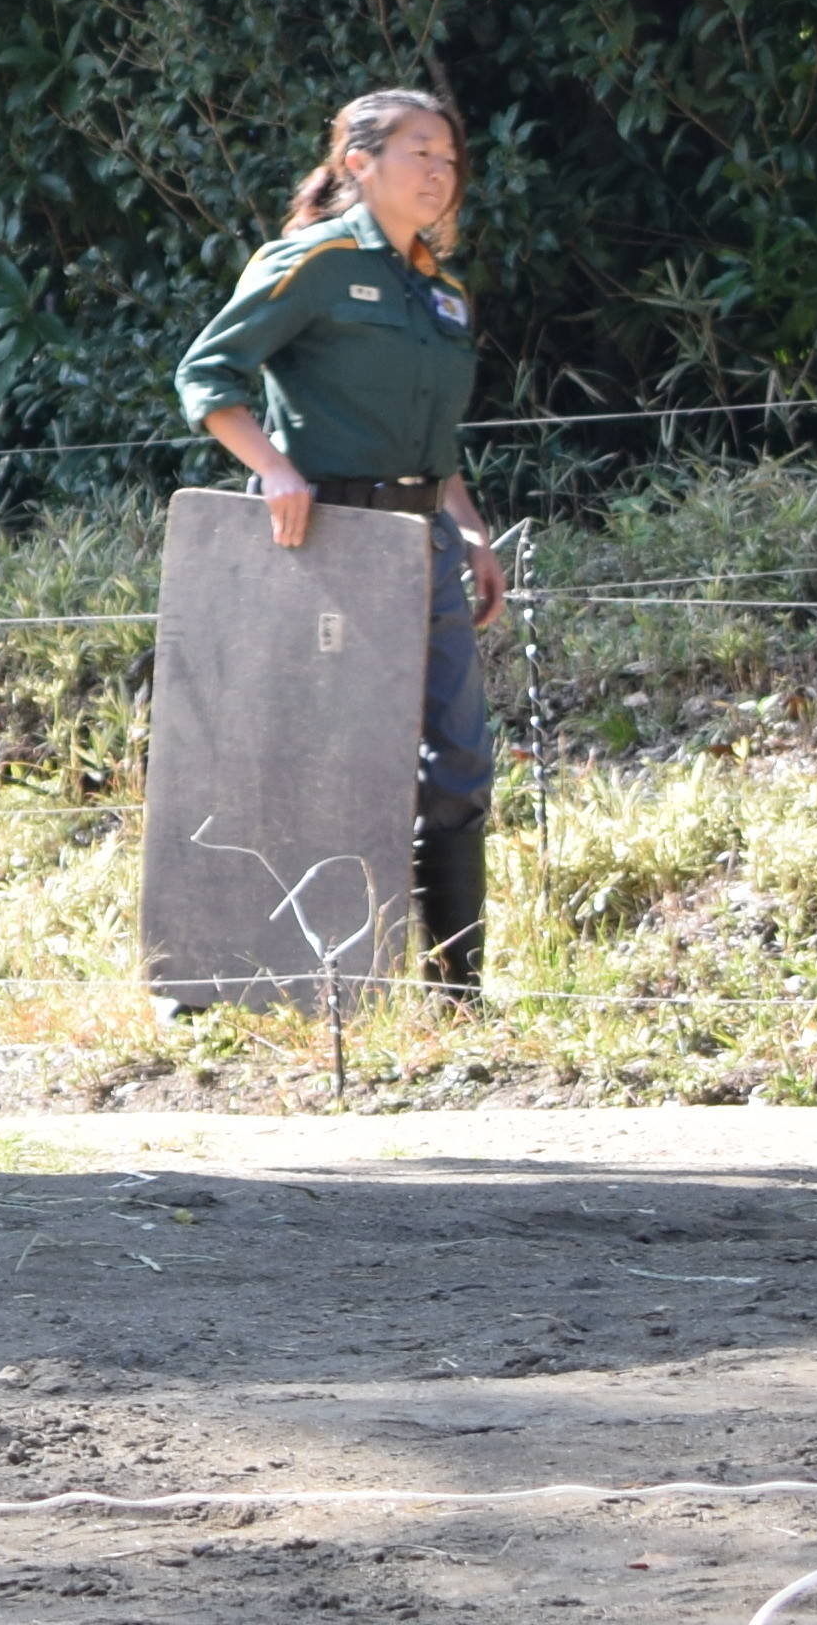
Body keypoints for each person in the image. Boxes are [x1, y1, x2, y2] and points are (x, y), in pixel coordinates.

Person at [171, 85, 503, 991]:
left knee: (459, 756)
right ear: (359, 163)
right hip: (327, 541)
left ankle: (457, 988)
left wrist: (470, 530)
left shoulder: (444, 291)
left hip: (422, 542)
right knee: (320, 760)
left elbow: (438, 434)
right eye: (418, 152)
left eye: (449, 157)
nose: (439, 172)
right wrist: (275, 469)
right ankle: (274, 978)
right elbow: (208, 374)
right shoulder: (311, 262)